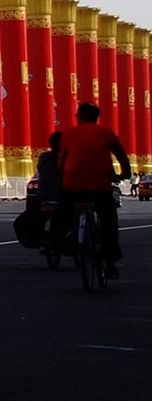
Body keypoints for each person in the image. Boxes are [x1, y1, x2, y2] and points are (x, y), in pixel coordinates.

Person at [57, 103, 129, 278]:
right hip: (100, 185)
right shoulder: (105, 133)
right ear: (96, 118)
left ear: (80, 117)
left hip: (73, 185)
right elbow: (121, 155)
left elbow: (61, 161)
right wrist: (125, 173)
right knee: (108, 220)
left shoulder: (68, 133)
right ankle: (110, 262)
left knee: (64, 209)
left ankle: (69, 235)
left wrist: (62, 174)